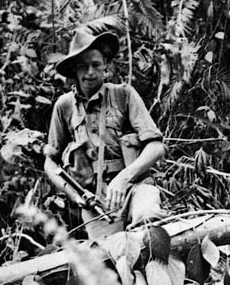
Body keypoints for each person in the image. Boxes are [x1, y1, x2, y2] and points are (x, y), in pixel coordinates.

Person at [45, 25, 166, 238]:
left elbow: (156, 147)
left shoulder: (123, 95)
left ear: (106, 67)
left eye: (96, 65)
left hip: (135, 187)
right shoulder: (64, 106)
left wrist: (124, 177)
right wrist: (75, 195)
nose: (90, 72)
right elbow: (50, 162)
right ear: (75, 70)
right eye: (83, 66)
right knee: (109, 260)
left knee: (149, 224)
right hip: (98, 204)